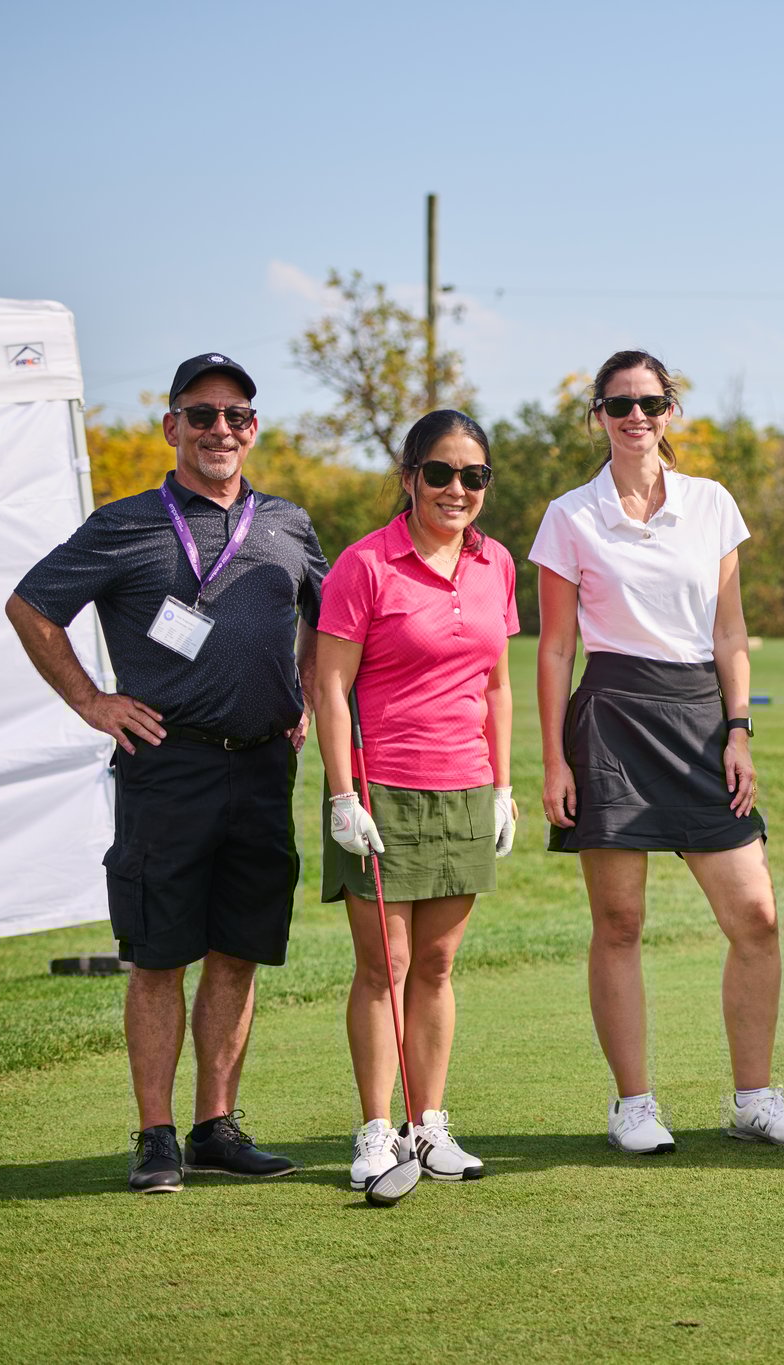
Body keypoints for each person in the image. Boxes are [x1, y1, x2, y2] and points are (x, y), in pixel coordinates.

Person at [5, 353, 328, 1193]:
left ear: (252, 429)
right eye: (202, 414)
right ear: (171, 426)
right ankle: (156, 1136)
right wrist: (91, 700)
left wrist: (305, 691)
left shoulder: (288, 523)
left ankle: (215, 1126)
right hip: (167, 764)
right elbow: (31, 607)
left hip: (263, 767)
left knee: (238, 950)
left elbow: (333, 621)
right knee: (160, 956)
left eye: (236, 415)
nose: (220, 429)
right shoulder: (125, 523)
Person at [530, 349, 784, 1154]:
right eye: (619, 403)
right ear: (597, 414)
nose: (636, 416)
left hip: (700, 719)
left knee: (756, 916)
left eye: (650, 402)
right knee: (620, 921)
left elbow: (730, 632)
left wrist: (739, 729)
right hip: (612, 718)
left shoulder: (712, 503)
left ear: (670, 411)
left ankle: (754, 1099)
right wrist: (553, 759)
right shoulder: (570, 515)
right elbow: (556, 649)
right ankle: (634, 1105)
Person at [313, 410, 521, 1191]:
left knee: (435, 964)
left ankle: (427, 1125)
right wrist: (342, 795)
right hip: (381, 788)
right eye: (439, 472)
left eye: (473, 475)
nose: (456, 489)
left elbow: (496, 684)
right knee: (385, 965)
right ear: (409, 478)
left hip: (464, 786)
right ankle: (376, 1130)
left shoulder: (496, 563)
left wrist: (503, 787)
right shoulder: (365, 564)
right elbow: (329, 687)